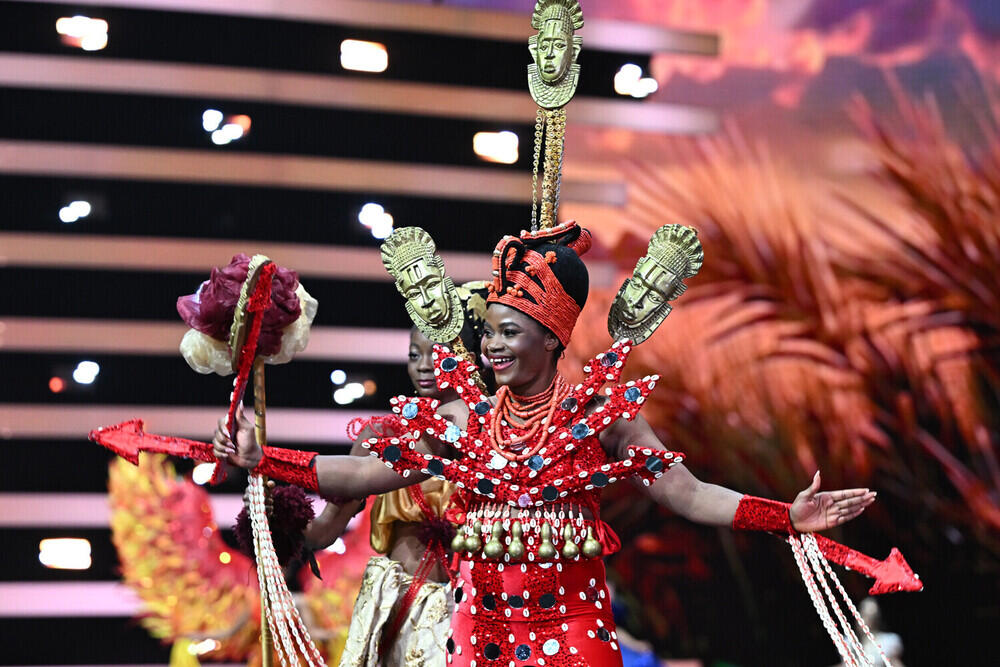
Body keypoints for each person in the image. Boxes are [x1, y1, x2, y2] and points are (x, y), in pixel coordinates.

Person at [214, 222, 876, 666]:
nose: (492, 346)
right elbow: (357, 477)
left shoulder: (600, 414)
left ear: (552, 338)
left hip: (576, 628)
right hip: (483, 632)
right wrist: (262, 458)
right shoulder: (465, 418)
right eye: (489, 334)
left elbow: (687, 492)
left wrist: (782, 514)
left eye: (508, 332)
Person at [288, 283, 492, 667]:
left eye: (440, 354)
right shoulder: (382, 438)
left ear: (471, 356)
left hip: (475, 611)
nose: (424, 365)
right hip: (399, 614)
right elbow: (324, 531)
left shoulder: (496, 437)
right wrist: (276, 513)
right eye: (415, 354)